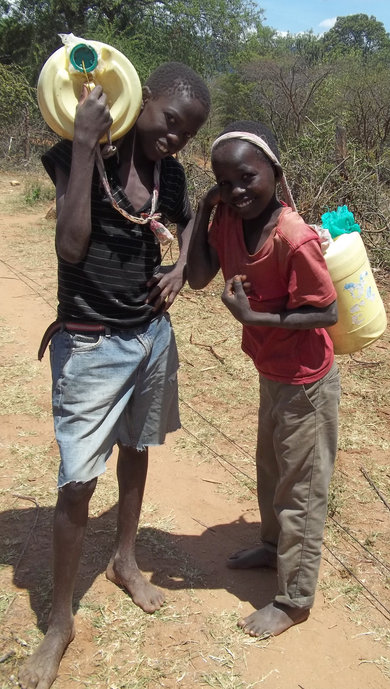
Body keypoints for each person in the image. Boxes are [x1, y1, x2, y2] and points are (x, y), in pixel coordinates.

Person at [19, 61, 210, 689]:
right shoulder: (77, 154)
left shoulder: (172, 176)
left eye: (188, 132)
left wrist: (180, 267)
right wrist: (81, 143)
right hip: (91, 343)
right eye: (171, 120)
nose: (175, 137)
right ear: (141, 98)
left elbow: (184, 225)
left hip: (151, 336)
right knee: (77, 482)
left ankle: (124, 559)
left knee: (137, 447)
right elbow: (71, 245)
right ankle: (60, 622)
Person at [187, 120, 341, 639]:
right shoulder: (228, 218)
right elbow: (198, 274)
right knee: (272, 470)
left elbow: (326, 313)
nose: (236, 191)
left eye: (246, 178)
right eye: (223, 182)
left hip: (307, 382)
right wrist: (205, 210)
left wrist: (254, 319)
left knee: (302, 488)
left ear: (274, 172)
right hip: (271, 370)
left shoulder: (293, 237)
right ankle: (274, 549)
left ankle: (294, 599)